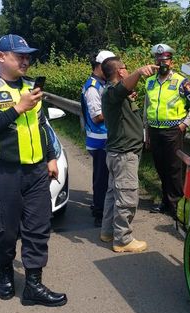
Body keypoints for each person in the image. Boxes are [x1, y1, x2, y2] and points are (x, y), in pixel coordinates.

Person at [0, 34, 67, 307]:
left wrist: (50, 157)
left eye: (28, 56)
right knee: (5, 229)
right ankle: (6, 272)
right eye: (19, 55)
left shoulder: (31, 86)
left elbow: (41, 123)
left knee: (38, 228)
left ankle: (33, 284)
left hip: (35, 172)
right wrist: (18, 107)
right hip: (3, 173)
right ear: (1, 57)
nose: (26, 60)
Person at [99, 57, 157, 253]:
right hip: (124, 154)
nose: (128, 70)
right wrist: (140, 72)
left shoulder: (117, 94)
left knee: (113, 194)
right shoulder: (112, 91)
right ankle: (123, 239)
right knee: (127, 197)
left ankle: (108, 232)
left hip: (119, 153)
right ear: (120, 72)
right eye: (126, 68)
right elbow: (121, 88)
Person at [144, 43, 190, 217]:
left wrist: (185, 124)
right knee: (161, 168)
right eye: (158, 60)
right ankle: (165, 201)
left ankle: (176, 205)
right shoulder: (150, 82)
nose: (162, 63)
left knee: (174, 169)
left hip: (173, 132)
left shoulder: (181, 81)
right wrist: (146, 133)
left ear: (171, 62)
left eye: (165, 60)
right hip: (154, 131)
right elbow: (147, 109)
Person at [80, 50, 115, 227]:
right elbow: (97, 116)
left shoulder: (102, 83)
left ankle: (102, 208)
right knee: (101, 179)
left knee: (105, 177)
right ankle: (99, 213)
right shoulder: (93, 87)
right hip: (99, 140)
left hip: (104, 138)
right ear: (100, 67)